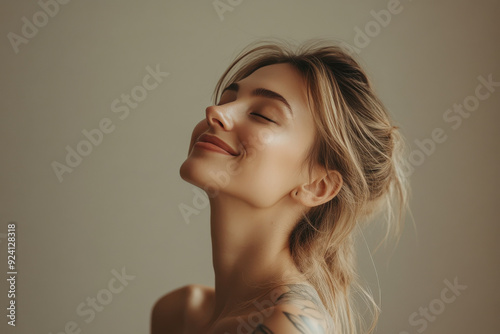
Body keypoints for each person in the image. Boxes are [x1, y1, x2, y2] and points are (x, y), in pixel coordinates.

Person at [151, 39, 409, 334]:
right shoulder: (179, 312)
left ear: (318, 186)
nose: (215, 112)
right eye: (226, 101)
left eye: (263, 115)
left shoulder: (288, 327)